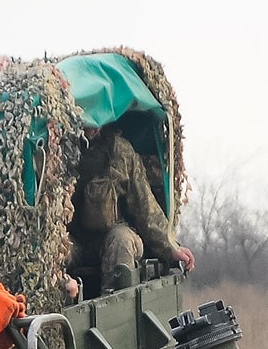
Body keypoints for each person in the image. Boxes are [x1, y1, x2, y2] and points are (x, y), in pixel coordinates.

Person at [68, 125, 193, 297]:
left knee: (122, 240)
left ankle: (114, 310)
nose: (93, 128)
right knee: (56, 251)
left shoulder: (120, 152)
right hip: (74, 240)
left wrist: (170, 247)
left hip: (111, 235)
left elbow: (145, 206)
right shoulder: (61, 149)